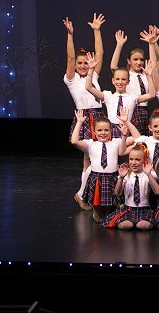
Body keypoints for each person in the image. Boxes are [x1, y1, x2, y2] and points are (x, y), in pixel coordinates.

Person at [63, 14, 105, 210]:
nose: (82, 65)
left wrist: (96, 31)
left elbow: (100, 53)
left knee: (92, 158)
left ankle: (84, 194)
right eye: (80, 63)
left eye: (85, 63)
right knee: (90, 157)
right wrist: (70, 35)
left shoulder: (93, 75)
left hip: (99, 118)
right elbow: (70, 57)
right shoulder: (71, 79)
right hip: (85, 118)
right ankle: (82, 194)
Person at [70, 111, 128, 223]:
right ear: (94, 131)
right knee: (98, 217)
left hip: (112, 178)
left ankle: (111, 211)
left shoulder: (116, 142)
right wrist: (79, 122)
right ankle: (97, 212)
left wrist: (125, 135)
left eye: (106, 130)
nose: (103, 133)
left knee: (110, 214)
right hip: (96, 178)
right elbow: (74, 141)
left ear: (111, 131)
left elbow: (124, 149)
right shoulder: (90, 144)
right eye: (100, 130)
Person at [102, 143, 159, 230]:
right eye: (131, 159)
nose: (133, 162)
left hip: (144, 209)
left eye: (137, 159)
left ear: (144, 160)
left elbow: (157, 192)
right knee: (125, 225)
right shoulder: (126, 174)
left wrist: (149, 175)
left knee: (143, 225)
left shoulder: (148, 174)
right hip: (128, 209)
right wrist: (121, 178)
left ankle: (142, 223)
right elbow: (117, 193)